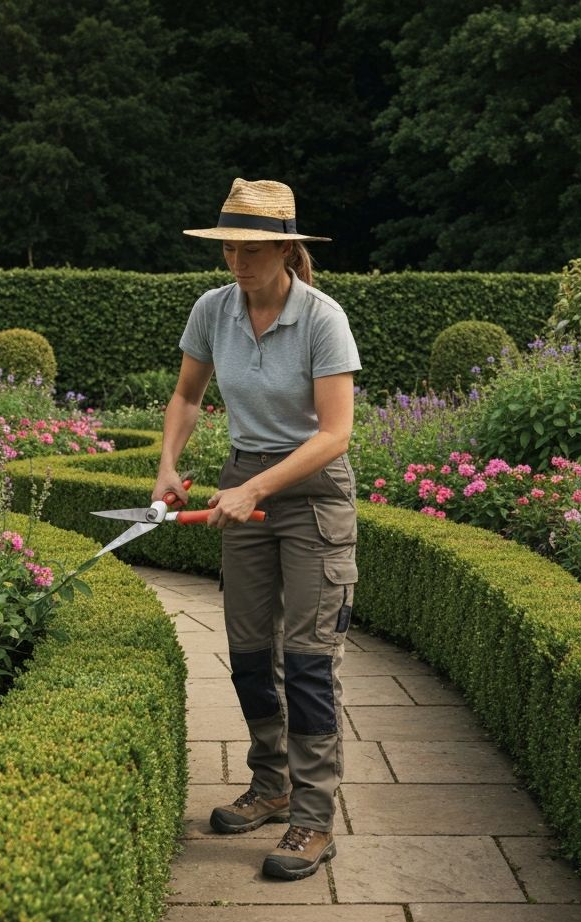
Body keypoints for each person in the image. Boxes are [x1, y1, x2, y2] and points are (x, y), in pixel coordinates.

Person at [153, 178, 361, 881]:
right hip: (246, 484)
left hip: (311, 495)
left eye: (251, 248)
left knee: (306, 658)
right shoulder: (213, 310)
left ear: (284, 248)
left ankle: (312, 816)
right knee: (247, 653)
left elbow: (336, 434)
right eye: (229, 247)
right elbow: (187, 394)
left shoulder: (323, 318)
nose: (237, 260)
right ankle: (270, 784)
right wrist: (169, 465)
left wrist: (256, 487)